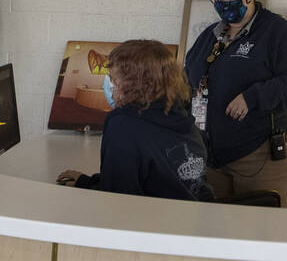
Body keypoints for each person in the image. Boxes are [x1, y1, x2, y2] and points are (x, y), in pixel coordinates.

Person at [184, 0, 287, 207]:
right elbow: (188, 76)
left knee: (261, 237)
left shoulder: (277, 32)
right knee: (217, 236)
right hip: (214, 157)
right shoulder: (211, 35)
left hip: (262, 155)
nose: (220, 3)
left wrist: (253, 97)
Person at [57, 39, 213, 201]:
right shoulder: (180, 114)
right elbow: (162, 179)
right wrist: (88, 182)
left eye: (112, 78)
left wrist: (86, 186)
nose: (109, 84)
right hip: (191, 215)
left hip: (149, 221)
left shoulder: (123, 123)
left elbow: (118, 196)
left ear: (137, 83)